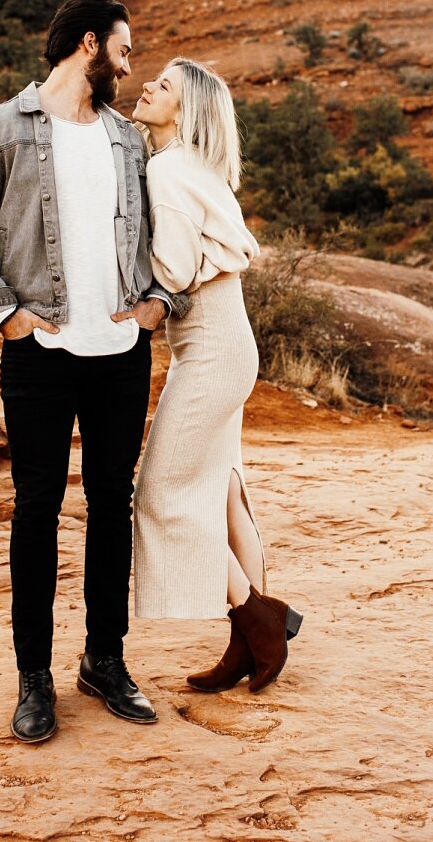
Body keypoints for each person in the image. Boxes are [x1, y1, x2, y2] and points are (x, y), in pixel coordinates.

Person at [0, 0, 189, 745]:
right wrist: (0, 310)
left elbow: (165, 231)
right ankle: (34, 679)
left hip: (121, 355)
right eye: (124, 49)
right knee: (36, 510)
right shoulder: (0, 127)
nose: (130, 64)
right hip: (38, 355)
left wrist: (159, 300)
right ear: (89, 45)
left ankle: (104, 662)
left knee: (112, 506)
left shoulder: (125, 138)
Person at [129, 57, 303, 690]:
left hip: (207, 347)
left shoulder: (168, 168)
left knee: (161, 492)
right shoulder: (193, 167)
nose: (147, 86)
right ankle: (250, 644)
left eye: (164, 85)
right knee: (224, 493)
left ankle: (259, 618)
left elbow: (173, 272)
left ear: (187, 109)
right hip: (224, 341)